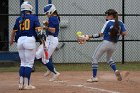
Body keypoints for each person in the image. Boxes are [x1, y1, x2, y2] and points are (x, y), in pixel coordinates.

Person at [84, 9, 128, 82]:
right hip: (114, 44)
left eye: (107, 15)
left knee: (94, 58)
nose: (106, 16)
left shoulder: (108, 22)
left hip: (106, 43)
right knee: (108, 59)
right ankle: (116, 70)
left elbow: (100, 34)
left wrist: (89, 36)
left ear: (111, 16)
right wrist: (117, 32)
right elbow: (125, 33)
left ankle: (94, 77)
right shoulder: (120, 23)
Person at [10, 1, 41, 89]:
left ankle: (21, 84)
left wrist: (11, 40)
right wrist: (43, 41)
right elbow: (38, 30)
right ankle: (27, 85)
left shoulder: (18, 18)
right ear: (30, 8)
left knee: (23, 63)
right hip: (29, 40)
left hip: (20, 41)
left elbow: (13, 31)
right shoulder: (34, 18)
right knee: (29, 64)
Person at [36, 4, 60, 81]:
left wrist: (45, 27)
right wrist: (47, 25)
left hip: (52, 40)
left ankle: (55, 73)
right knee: (37, 55)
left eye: (47, 13)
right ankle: (50, 68)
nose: (46, 14)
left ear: (51, 11)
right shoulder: (53, 18)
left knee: (45, 59)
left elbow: (53, 30)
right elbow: (52, 27)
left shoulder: (53, 18)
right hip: (49, 40)